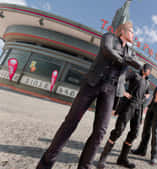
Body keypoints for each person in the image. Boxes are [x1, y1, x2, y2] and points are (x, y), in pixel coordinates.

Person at [36, 21, 141, 169]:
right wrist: (126, 59)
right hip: (92, 83)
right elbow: (107, 50)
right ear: (122, 31)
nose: (134, 34)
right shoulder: (109, 37)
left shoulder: (132, 51)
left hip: (110, 89)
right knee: (70, 122)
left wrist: (131, 61)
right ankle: (46, 163)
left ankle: (85, 165)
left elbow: (137, 63)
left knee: (101, 131)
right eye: (131, 30)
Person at [97, 63, 152, 169]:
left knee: (134, 133)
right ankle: (103, 158)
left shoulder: (147, 82)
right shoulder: (135, 75)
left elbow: (147, 93)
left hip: (139, 108)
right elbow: (121, 80)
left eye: (149, 69)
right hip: (129, 105)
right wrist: (124, 92)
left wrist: (146, 97)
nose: (147, 70)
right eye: (146, 68)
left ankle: (122, 159)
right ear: (143, 69)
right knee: (118, 130)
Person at [131, 74, 157, 165]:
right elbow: (153, 97)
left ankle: (154, 156)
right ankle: (141, 150)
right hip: (151, 108)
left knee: (155, 131)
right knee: (146, 129)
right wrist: (148, 107)